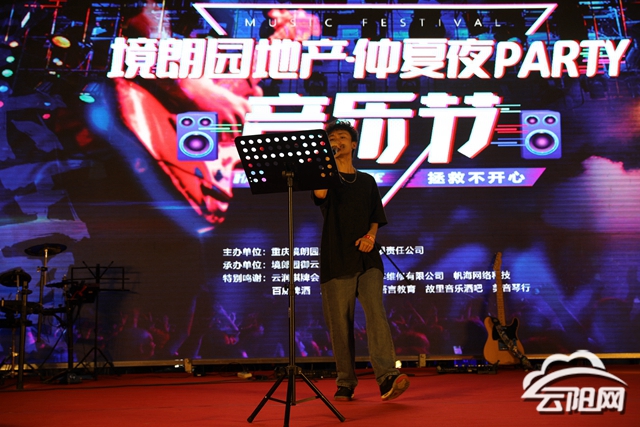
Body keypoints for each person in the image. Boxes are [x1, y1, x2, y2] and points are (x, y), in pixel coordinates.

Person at [312, 120, 410, 402]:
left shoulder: (366, 181)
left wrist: (370, 236)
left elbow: (375, 217)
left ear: (353, 144)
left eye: (342, 137)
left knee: (376, 312)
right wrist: (325, 162)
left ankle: (387, 376)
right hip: (336, 257)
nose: (337, 141)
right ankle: (345, 381)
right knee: (340, 323)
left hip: (368, 257)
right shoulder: (325, 177)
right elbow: (319, 195)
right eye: (332, 138)